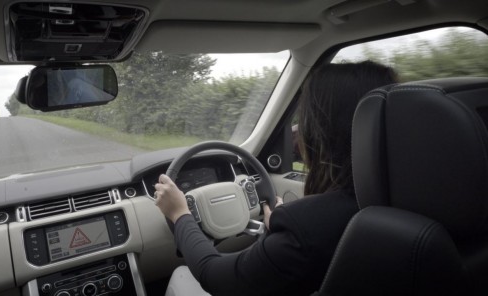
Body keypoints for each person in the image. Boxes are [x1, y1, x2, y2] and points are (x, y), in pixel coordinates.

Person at [154, 60, 398, 296]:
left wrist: (180, 213)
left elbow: (213, 276)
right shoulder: (406, 197)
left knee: (182, 275)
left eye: (302, 120)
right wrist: (281, 231)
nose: (297, 131)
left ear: (321, 131)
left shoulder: (306, 227)